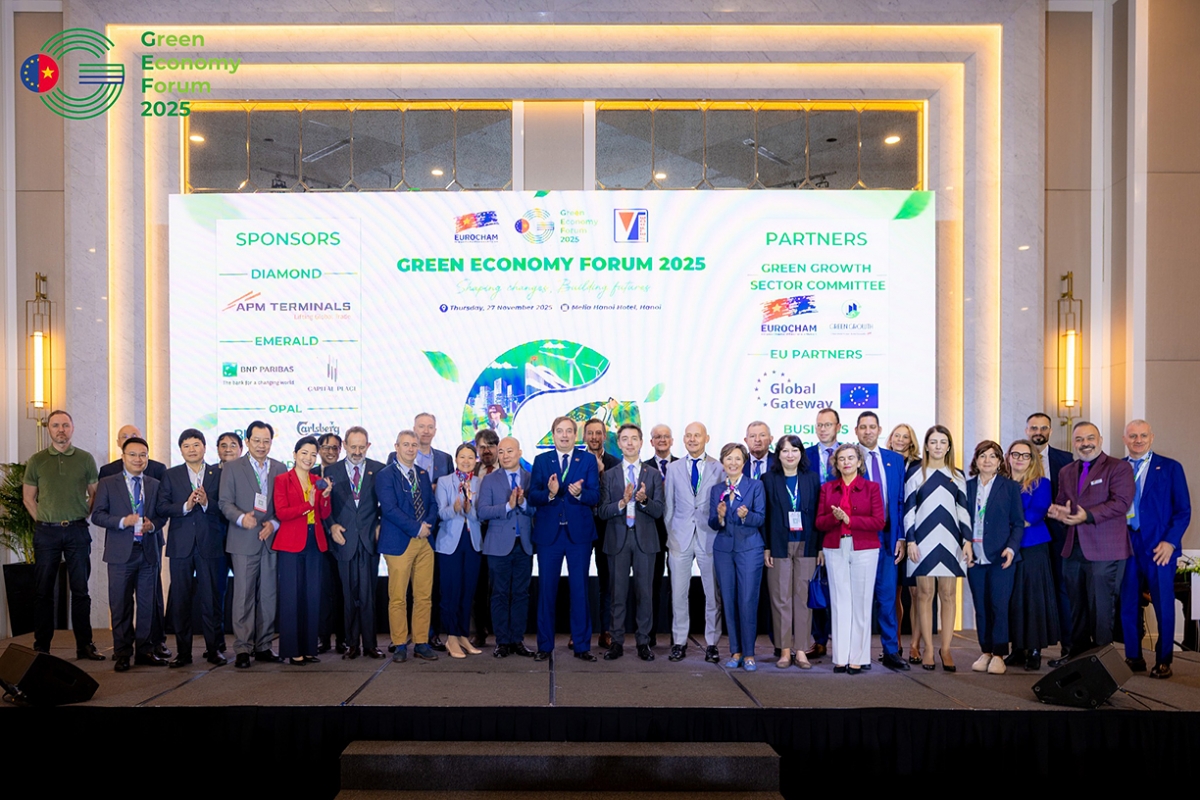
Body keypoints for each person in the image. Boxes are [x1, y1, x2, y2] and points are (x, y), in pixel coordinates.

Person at [1047, 421, 1135, 667]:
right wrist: (1059, 512)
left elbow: (1121, 503)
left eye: (1090, 438)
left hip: (1106, 550)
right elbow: (1064, 502)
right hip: (1073, 549)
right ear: (1073, 443)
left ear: (1100, 439)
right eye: (1079, 439)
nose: (1085, 444)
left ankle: (1102, 663)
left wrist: (1087, 515)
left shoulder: (1119, 468)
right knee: (1077, 607)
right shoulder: (1066, 471)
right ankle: (1077, 657)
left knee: (1101, 609)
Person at [22, 410, 103, 660]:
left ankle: (85, 645)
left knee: (80, 591)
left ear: (72, 428)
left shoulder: (85, 458)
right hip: (47, 534)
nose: (61, 430)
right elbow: (28, 498)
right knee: (44, 591)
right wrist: (45, 520)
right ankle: (42, 645)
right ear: (49, 429)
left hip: (78, 531)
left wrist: (81, 516)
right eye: (56, 425)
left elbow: (95, 493)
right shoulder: (37, 460)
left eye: (65, 425)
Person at [1119, 420, 1191, 679]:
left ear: (1152, 438)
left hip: (1160, 547)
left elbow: (1183, 511)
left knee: (1163, 605)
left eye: (1143, 435)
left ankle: (1163, 661)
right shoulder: (1117, 468)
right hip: (1126, 545)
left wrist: (1170, 542)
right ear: (1124, 439)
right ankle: (1133, 656)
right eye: (1133, 435)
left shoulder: (1170, 468)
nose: (1138, 440)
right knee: (1128, 604)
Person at [91, 437, 167, 671]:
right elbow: (97, 515)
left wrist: (152, 525)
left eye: (143, 454)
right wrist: (124, 521)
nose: (138, 459)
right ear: (123, 457)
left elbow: (162, 515)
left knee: (147, 605)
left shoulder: (154, 484)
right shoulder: (108, 483)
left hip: (148, 552)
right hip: (120, 554)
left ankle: (145, 650)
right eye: (133, 454)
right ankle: (122, 652)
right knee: (121, 604)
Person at [529, 415, 601, 661]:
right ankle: (544, 646)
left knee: (580, 591)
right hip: (549, 536)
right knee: (546, 591)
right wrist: (549, 494)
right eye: (559, 431)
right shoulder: (541, 460)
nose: (564, 435)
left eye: (569, 431)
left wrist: (580, 494)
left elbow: (595, 496)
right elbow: (532, 496)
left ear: (575, 435)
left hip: (578, 535)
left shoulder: (588, 460)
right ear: (553, 434)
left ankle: (582, 646)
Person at [903, 425, 972, 671]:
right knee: (923, 594)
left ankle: (946, 649)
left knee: (948, 594)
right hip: (922, 540)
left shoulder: (958, 475)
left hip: (951, 540)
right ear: (926, 445)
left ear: (949, 446)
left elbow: (963, 510)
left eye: (943, 442)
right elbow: (908, 510)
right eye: (933, 441)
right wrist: (910, 540)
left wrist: (967, 541)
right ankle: (928, 650)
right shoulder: (915, 473)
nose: (938, 446)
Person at [219, 419, 287, 668]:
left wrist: (275, 523)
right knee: (244, 596)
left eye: (266, 441)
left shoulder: (280, 468)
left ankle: (264, 645)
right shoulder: (233, 467)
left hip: (270, 539)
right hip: (243, 540)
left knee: (268, 596)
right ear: (247, 441)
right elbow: (224, 502)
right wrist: (240, 517)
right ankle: (243, 648)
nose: (261, 445)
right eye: (256, 440)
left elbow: (284, 506)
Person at [157, 428, 227, 667]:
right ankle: (183, 653)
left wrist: (208, 503)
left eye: (196, 444)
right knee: (181, 600)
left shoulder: (217, 473)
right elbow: (162, 507)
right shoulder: (171, 475)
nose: (192, 449)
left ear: (205, 447)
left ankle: (214, 649)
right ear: (181, 450)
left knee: (211, 599)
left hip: (209, 544)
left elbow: (226, 507)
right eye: (186, 446)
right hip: (181, 546)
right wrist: (185, 506)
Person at [816, 443, 885, 674]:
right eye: (841, 458)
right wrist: (836, 519)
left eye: (850, 458)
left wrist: (849, 519)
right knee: (839, 602)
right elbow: (819, 522)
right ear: (835, 463)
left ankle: (858, 657)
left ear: (859, 461)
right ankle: (840, 657)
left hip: (865, 548)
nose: (846, 462)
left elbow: (879, 522)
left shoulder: (871, 488)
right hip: (835, 548)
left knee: (862, 603)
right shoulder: (827, 488)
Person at [599, 424, 665, 661]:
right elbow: (603, 512)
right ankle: (616, 642)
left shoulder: (654, 474)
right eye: (624, 439)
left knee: (644, 594)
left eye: (634, 439)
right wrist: (622, 501)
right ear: (618, 443)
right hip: (617, 539)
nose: (629, 443)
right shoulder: (609, 475)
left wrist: (644, 499)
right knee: (617, 594)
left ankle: (643, 642)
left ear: (641, 442)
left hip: (645, 540)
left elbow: (659, 511)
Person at [663, 422, 724, 663]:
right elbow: (669, 506)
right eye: (688, 435)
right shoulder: (674, 467)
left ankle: (712, 643)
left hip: (709, 537)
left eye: (696, 435)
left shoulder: (718, 468)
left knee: (712, 593)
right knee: (679, 593)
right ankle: (679, 641)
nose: (692, 439)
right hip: (680, 537)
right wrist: (672, 534)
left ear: (706, 438)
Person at [377, 429, 439, 663]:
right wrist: (415, 528)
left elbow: (432, 503)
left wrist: (427, 525)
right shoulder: (385, 475)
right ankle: (400, 644)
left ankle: (421, 642)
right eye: (406, 445)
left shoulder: (422, 474)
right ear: (396, 447)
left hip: (425, 541)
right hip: (398, 542)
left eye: (414, 445)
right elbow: (390, 509)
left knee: (423, 596)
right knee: (398, 597)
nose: (411, 449)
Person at [855, 411, 909, 671]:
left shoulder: (895, 460)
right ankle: (860, 653)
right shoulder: (848, 458)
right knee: (860, 599)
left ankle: (890, 650)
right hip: (859, 538)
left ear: (879, 430)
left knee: (887, 598)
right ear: (856, 431)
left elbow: (900, 501)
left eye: (872, 427)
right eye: (863, 427)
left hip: (888, 538)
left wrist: (901, 536)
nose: (867, 431)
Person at [326, 426, 386, 659]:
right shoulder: (330, 471)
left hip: (370, 539)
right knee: (349, 595)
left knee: (369, 594)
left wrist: (381, 523)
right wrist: (331, 525)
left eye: (362, 447)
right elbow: (324, 506)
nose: (357, 451)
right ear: (345, 445)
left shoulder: (379, 470)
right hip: (344, 540)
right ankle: (351, 644)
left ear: (368, 446)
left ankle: (370, 644)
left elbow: (386, 504)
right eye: (353, 446)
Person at [761, 435, 820, 669]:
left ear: (801, 453)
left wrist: (820, 547)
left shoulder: (812, 479)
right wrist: (766, 546)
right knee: (781, 599)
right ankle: (785, 651)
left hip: (807, 543)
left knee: (803, 599)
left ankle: (802, 650)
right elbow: (764, 516)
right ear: (778, 454)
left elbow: (819, 515)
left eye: (794, 450)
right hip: (778, 544)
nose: (789, 455)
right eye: (784, 451)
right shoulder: (768, 479)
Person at [965, 440, 1023, 675]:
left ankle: (999, 653)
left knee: (999, 605)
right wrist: (964, 544)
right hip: (974, 557)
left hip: (1001, 557)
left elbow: (1018, 523)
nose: (987, 460)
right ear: (976, 460)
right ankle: (986, 651)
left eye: (992, 456)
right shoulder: (966, 487)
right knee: (981, 606)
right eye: (982, 456)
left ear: (1000, 461)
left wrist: (1011, 548)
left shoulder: (1009, 488)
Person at [272, 436, 332, 665]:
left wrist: (324, 499)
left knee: (311, 596)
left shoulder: (318, 480)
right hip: (290, 543)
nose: (308, 458)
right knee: (291, 597)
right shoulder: (282, 480)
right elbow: (282, 512)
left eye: (313, 454)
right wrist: (309, 503)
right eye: (304, 453)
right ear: (295, 454)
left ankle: (309, 648)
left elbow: (324, 514)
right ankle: (291, 649)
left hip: (314, 541)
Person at [709, 443, 766, 671]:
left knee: (747, 600)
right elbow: (712, 524)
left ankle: (750, 654)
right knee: (729, 602)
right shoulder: (716, 490)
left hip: (749, 549)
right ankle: (735, 651)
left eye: (737, 459)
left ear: (744, 462)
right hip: (723, 549)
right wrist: (720, 516)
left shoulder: (755, 486)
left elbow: (760, 518)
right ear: (723, 463)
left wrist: (746, 515)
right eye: (728, 459)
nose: (733, 463)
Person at [477, 436, 535, 658]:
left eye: (510, 451)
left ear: (519, 453)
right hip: (498, 546)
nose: (505, 455)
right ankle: (502, 641)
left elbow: (538, 510)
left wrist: (524, 504)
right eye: (501, 452)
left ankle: (517, 640)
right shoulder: (490, 480)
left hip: (524, 546)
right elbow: (482, 511)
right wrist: (508, 506)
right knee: (500, 594)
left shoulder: (530, 479)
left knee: (521, 594)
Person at [1004, 439, 1057, 670]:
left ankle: (1034, 649)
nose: (1019, 459)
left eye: (1025, 455)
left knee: (1034, 599)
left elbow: (1036, 513)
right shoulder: (1001, 484)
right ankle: (1017, 648)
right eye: (1015, 454)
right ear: (1008, 457)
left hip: (1033, 547)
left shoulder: (1041, 484)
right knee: (1013, 599)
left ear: (1032, 459)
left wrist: (1012, 524)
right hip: (1006, 548)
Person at [1026, 412, 1074, 655]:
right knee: (1028, 592)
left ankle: (1068, 648)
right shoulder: (1016, 458)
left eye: (1043, 428)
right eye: (1034, 428)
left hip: (1059, 534)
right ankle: (1026, 648)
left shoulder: (1066, 459)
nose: (1038, 432)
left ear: (1050, 431)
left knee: (1062, 589)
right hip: (1027, 536)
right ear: (1027, 431)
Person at [436, 443, 484, 658]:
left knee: (468, 592)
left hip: (472, 542)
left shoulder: (479, 483)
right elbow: (441, 514)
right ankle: (451, 637)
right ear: (456, 459)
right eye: (462, 457)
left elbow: (480, 516)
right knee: (450, 592)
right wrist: (455, 508)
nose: (466, 461)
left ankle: (463, 634)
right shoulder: (445, 481)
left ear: (476, 460)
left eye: (470, 457)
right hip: (449, 543)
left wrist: (468, 509)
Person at [413, 412, 453, 652]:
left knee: (434, 585)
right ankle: (411, 635)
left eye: (430, 427)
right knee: (410, 587)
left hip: (438, 529)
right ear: (414, 428)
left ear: (435, 431)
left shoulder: (445, 459)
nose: (426, 431)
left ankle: (431, 634)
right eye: (421, 427)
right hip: (408, 529)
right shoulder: (397, 456)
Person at [804, 407, 841, 660]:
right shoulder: (804, 456)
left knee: (841, 588)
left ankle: (841, 638)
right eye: (819, 425)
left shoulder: (848, 454)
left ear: (838, 426)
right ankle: (819, 640)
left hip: (845, 529)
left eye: (828, 424)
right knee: (815, 585)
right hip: (813, 527)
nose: (823, 429)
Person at [887, 423, 922, 664]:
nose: (900, 439)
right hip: (891, 534)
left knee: (917, 593)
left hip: (916, 535)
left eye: (905, 437)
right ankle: (895, 642)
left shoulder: (920, 465)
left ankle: (916, 645)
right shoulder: (883, 461)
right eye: (896, 435)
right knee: (894, 593)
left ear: (911, 441)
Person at [584, 417, 621, 650]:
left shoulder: (615, 463)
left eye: (599, 433)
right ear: (584, 437)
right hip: (582, 527)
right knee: (579, 580)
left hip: (608, 528)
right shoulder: (576, 460)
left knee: (607, 582)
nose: (595, 438)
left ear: (604, 436)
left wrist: (602, 474)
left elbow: (615, 496)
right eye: (590, 433)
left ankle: (606, 630)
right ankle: (580, 631)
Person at [643, 424, 676, 648]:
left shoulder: (683, 466)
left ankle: (678, 636)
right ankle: (649, 634)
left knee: (677, 587)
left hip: (678, 535)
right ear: (651, 442)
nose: (662, 440)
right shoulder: (643, 468)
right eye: (657, 437)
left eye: (665, 437)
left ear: (672, 441)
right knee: (650, 585)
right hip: (651, 533)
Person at [471, 428, 501, 648]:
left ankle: (502, 632)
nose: (486, 450)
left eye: (490, 445)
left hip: (500, 531)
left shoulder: (510, 469)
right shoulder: (469, 470)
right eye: (482, 446)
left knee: (499, 584)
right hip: (477, 533)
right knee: (478, 584)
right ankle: (479, 631)